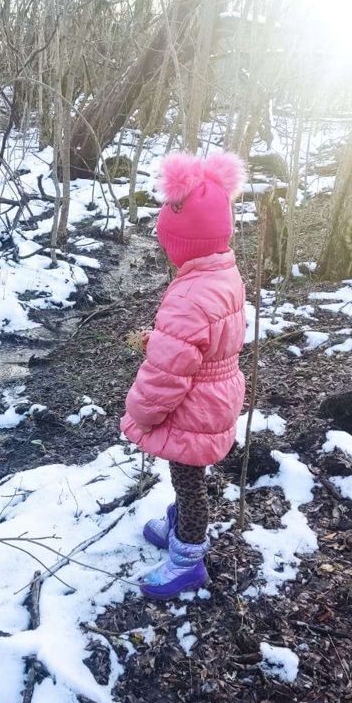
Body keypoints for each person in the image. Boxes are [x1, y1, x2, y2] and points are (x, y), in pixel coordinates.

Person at [121, 151, 247, 599]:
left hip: (194, 402)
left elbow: (168, 372)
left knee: (190, 482)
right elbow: (195, 343)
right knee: (186, 475)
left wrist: (140, 412)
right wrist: (160, 338)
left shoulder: (190, 294)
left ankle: (187, 559)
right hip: (218, 392)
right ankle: (177, 524)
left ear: (182, 244)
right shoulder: (223, 271)